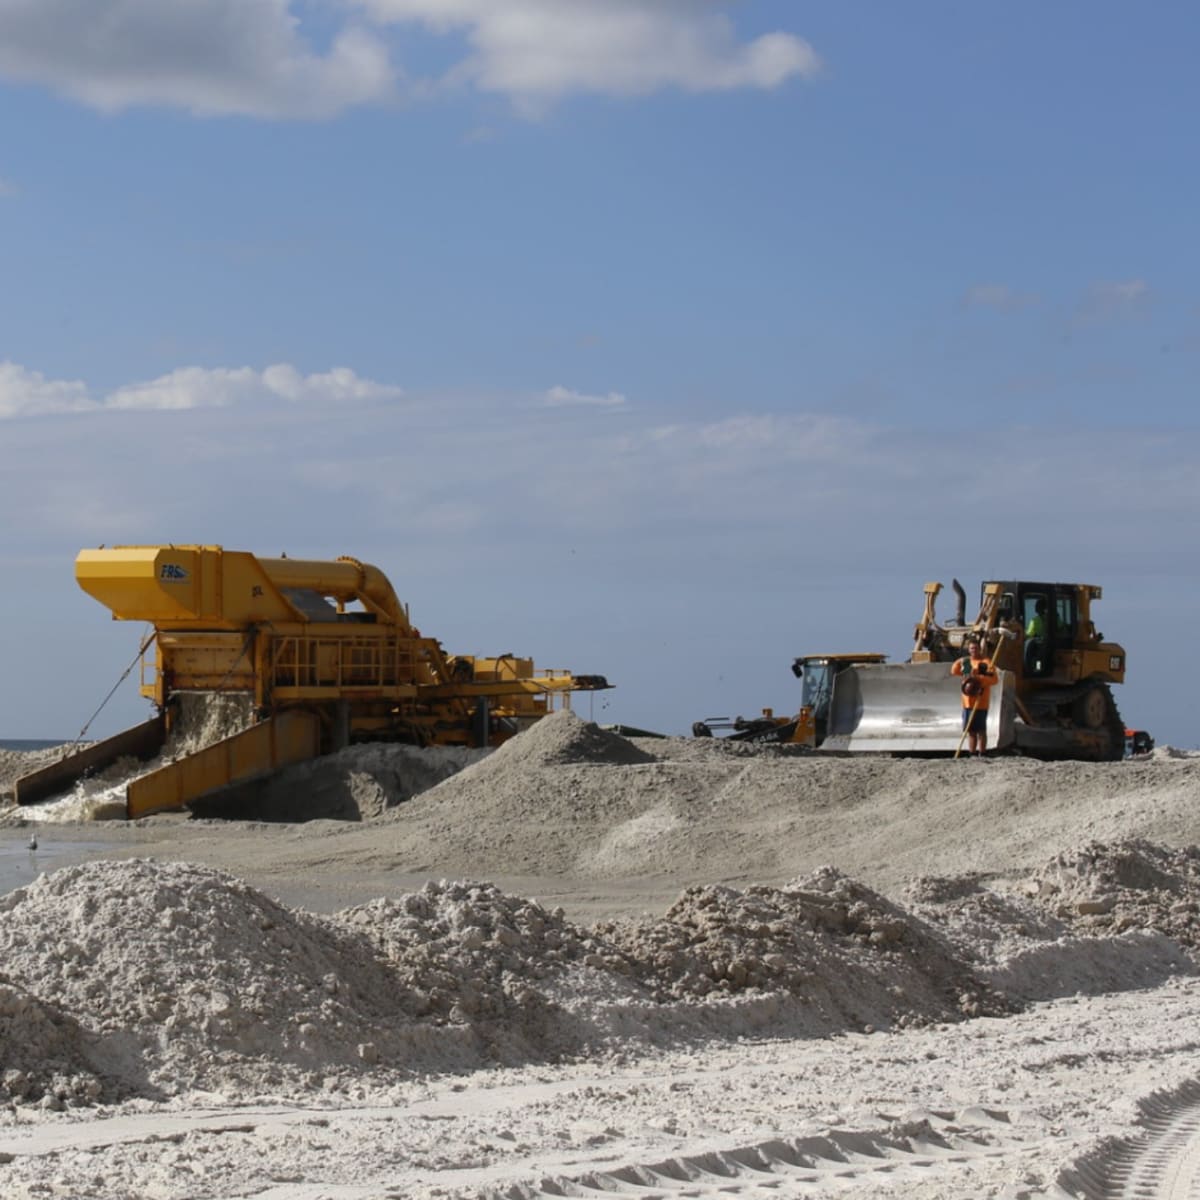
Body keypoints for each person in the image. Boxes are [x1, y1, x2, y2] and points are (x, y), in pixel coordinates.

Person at [950, 636, 998, 755]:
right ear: (969, 650)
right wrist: (959, 661)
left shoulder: (986, 663)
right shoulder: (966, 662)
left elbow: (994, 679)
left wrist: (979, 678)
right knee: (970, 731)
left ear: (979, 649)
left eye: (975, 648)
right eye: (971, 648)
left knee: (981, 730)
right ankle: (972, 752)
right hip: (967, 702)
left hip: (981, 701)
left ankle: (982, 752)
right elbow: (954, 671)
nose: (973, 650)